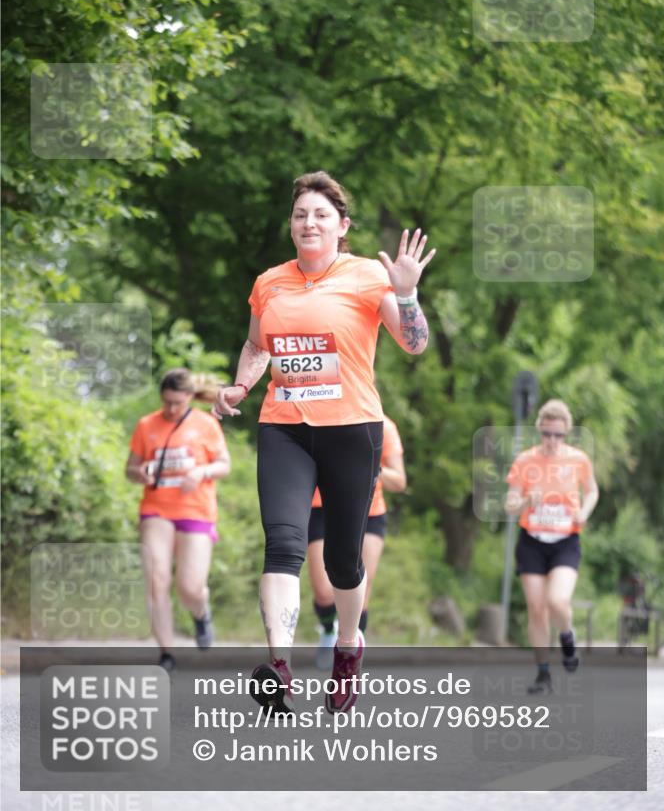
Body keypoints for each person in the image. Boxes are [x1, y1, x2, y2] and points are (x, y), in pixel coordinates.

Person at [214, 170, 435, 714]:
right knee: (283, 544)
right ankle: (280, 669)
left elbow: (414, 343)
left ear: (342, 226)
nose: (308, 223)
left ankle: (347, 647)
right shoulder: (270, 282)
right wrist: (241, 384)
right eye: (300, 215)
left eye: (320, 215)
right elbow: (256, 346)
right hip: (284, 427)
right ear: (291, 226)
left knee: (341, 560)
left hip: (352, 430)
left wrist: (406, 294)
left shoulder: (366, 276)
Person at [126, 369, 231, 671]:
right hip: (156, 508)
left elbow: (224, 464)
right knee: (156, 580)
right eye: (167, 402)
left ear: (189, 397)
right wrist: (140, 472)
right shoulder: (147, 425)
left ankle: (201, 613)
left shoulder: (206, 424)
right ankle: (167, 653)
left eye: (178, 403)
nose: (172, 409)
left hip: (196, 509)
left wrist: (201, 471)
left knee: (190, 588)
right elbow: (130, 468)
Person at [504, 398, 599, 695]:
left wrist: (584, 511)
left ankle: (567, 638)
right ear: (539, 431)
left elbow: (592, 491)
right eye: (547, 434)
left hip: (565, 542)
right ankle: (543, 673)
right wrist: (525, 501)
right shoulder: (525, 461)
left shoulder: (578, 460)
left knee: (557, 601)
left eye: (558, 435)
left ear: (566, 433)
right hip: (532, 541)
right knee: (537, 609)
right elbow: (509, 504)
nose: (552, 441)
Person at [308, 413, 406, 668]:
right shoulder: (322, 414)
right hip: (321, 508)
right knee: (323, 590)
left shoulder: (385, 426)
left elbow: (399, 481)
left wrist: (368, 465)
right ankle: (328, 630)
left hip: (369, 512)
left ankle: (350, 651)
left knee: (360, 583)